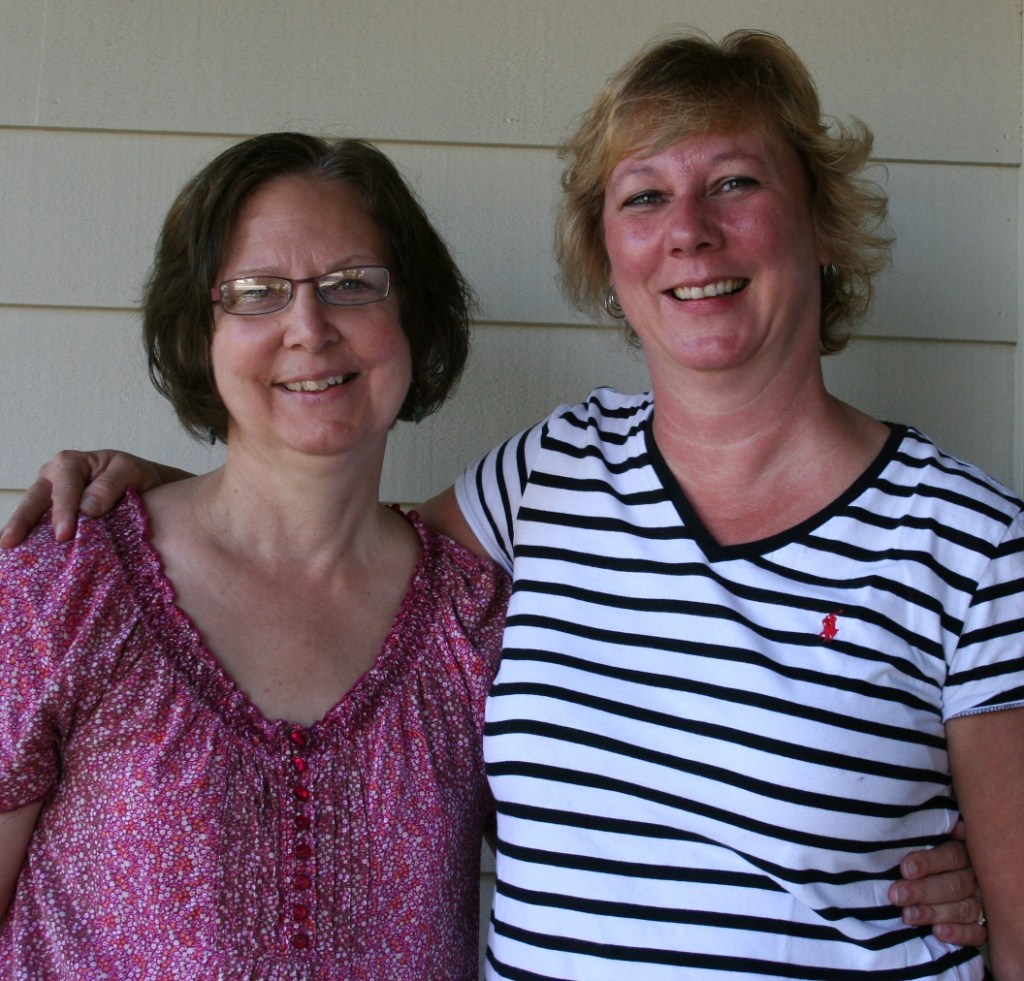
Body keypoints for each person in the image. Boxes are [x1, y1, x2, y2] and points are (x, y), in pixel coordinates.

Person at [0, 30, 1004, 979]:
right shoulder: (554, 475)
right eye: (644, 196)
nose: (690, 232)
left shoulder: (972, 546)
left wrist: (970, 880)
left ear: (819, 223)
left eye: (735, 182)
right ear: (607, 255)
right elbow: (306, 540)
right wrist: (164, 500)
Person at [0, 132, 510, 979]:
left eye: (351, 284)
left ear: (411, 318)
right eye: (255, 293)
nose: (308, 329)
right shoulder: (64, 588)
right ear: (198, 331)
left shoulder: (475, 622)